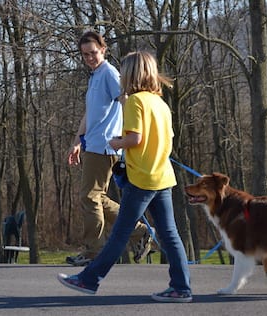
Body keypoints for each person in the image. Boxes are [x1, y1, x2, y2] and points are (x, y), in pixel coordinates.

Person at [58, 51, 192, 303]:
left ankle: (88, 280)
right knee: (170, 234)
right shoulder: (160, 103)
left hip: (142, 178)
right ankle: (181, 287)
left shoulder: (135, 102)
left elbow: (135, 138)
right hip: (163, 176)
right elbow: (166, 140)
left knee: (120, 233)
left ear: (131, 74)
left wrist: (116, 142)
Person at [66, 31, 152, 267]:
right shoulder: (94, 76)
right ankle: (139, 231)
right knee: (95, 197)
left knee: (89, 196)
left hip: (105, 146)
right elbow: (90, 113)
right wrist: (77, 141)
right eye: (85, 54)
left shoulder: (109, 73)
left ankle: (94, 251)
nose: (89, 58)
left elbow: (126, 99)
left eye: (93, 53)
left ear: (103, 49)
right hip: (93, 144)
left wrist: (132, 134)